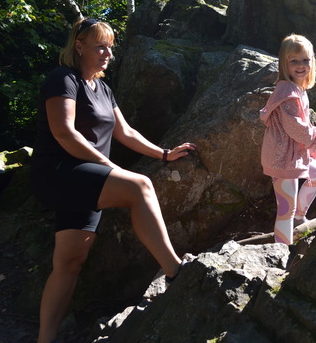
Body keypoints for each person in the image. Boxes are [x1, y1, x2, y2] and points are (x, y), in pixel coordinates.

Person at [30, 18, 196, 343]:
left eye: (110, 47)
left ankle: (44, 340)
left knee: (70, 262)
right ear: (79, 46)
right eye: (100, 46)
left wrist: (164, 154)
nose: (108, 53)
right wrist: (108, 166)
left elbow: (125, 132)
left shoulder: (103, 89)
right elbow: (64, 132)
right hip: (59, 173)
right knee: (139, 186)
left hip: (86, 177)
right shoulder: (63, 79)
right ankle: (176, 271)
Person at [260, 34, 316, 245]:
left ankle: (299, 218)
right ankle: (281, 251)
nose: (300, 65)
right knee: (286, 209)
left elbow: (299, 124)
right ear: (284, 64)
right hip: (282, 158)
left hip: (292, 153)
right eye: (294, 61)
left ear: (312, 62)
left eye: (305, 60)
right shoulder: (288, 92)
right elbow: (295, 129)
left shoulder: (298, 88)